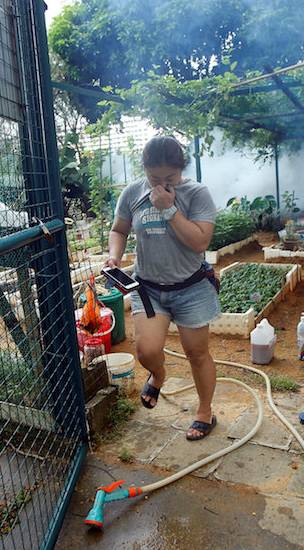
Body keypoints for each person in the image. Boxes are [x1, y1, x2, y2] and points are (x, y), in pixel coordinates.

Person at [104, 135, 221, 441]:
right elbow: (119, 229)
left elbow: (199, 242)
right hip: (148, 287)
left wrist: (169, 209)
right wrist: (114, 255)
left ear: (181, 168)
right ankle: (159, 375)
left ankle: (205, 411)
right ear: (144, 170)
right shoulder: (133, 193)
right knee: (147, 350)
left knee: (197, 353)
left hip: (191, 287)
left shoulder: (196, 193)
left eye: (169, 177)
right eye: (154, 177)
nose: (161, 183)